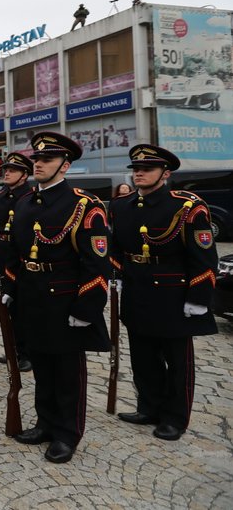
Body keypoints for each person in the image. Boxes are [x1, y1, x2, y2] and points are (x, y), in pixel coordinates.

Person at [3, 131, 110, 464]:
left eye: (46, 160)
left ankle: (67, 433)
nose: (39, 164)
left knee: (67, 372)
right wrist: (10, 289)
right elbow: (15, 253)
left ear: (65, 166)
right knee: (42, 366)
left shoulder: (83, 205)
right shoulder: (24, 203)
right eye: (36, 159)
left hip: (65, 299)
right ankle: (45, 423)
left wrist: (87, 307)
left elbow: (96, 263)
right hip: (33, 297)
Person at [109, 145, 218, 441]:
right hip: (137, 290)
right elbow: (116, 248)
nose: (139, 173)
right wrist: (117, 274)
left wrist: (198, 298)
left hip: (173, 293)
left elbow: (205, 257)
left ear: (165, 174)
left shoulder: (187, 206)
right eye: (136, 169)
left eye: (147, 168)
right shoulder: (121, 205)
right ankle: (149, 407)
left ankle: (175, 418)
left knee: (177, 362)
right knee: (143, 357)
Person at [0, 153, 34, 372]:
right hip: (1, 258)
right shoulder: (0, 196)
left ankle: (26, 354)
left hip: (21, 262)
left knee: (22, 310)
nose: (6, 172)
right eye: (5, 169)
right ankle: (11, 349)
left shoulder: (30, 197)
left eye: (13, 170)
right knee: (4, 308)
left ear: (25, 175)